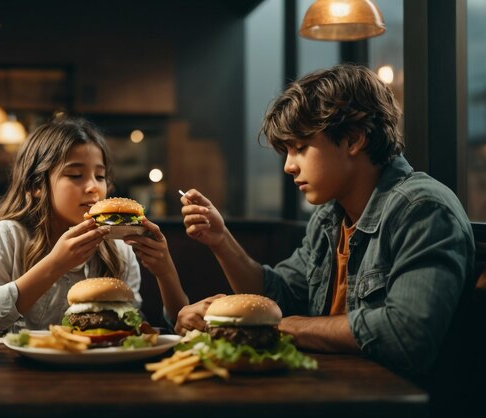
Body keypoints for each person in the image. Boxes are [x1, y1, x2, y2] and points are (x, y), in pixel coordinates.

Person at [176, 63, 475, 379]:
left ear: (353, 140)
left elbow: (406, 335)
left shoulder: (422, 208)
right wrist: (221, 241)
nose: (289, 166)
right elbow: (279, 295)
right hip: (331, 385)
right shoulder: (330, 218)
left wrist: (287, 327)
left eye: (300, 148)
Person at [0, 116, 187, 332]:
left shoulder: (119, 248)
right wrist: (54, 265)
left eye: (100, 176)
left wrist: (165, 271)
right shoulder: (9, 235)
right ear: (36, 185)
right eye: (75, 175)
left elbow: (131, 325)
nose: (93, 187)